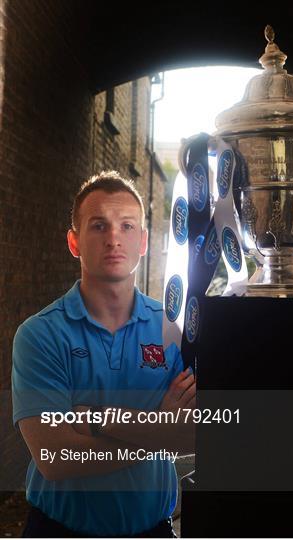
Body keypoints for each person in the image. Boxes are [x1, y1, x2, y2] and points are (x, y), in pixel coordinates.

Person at [12, 170, 196, 538]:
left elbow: (192, 437)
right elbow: (56, 458)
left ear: (143, 241)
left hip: (152, 531)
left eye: (127, 226)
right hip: (60, 531)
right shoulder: (40, 334)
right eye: (98, 226)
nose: (114, 238)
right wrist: (158, 429)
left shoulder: (174, 329)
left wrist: (98, 419)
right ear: (74, 242)